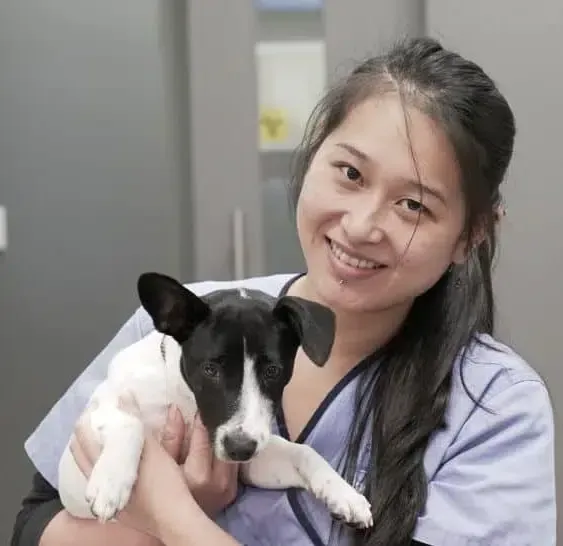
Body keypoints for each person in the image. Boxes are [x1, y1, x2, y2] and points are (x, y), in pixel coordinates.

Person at [10, 36, 556, 546]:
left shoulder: (492, 409)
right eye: (350, 173)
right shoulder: (182, 329)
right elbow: (35, 521)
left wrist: (178, 521)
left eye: (413, 205)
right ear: (312, 155)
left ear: (472, 235)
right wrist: (156, 515)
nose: (363, 224)